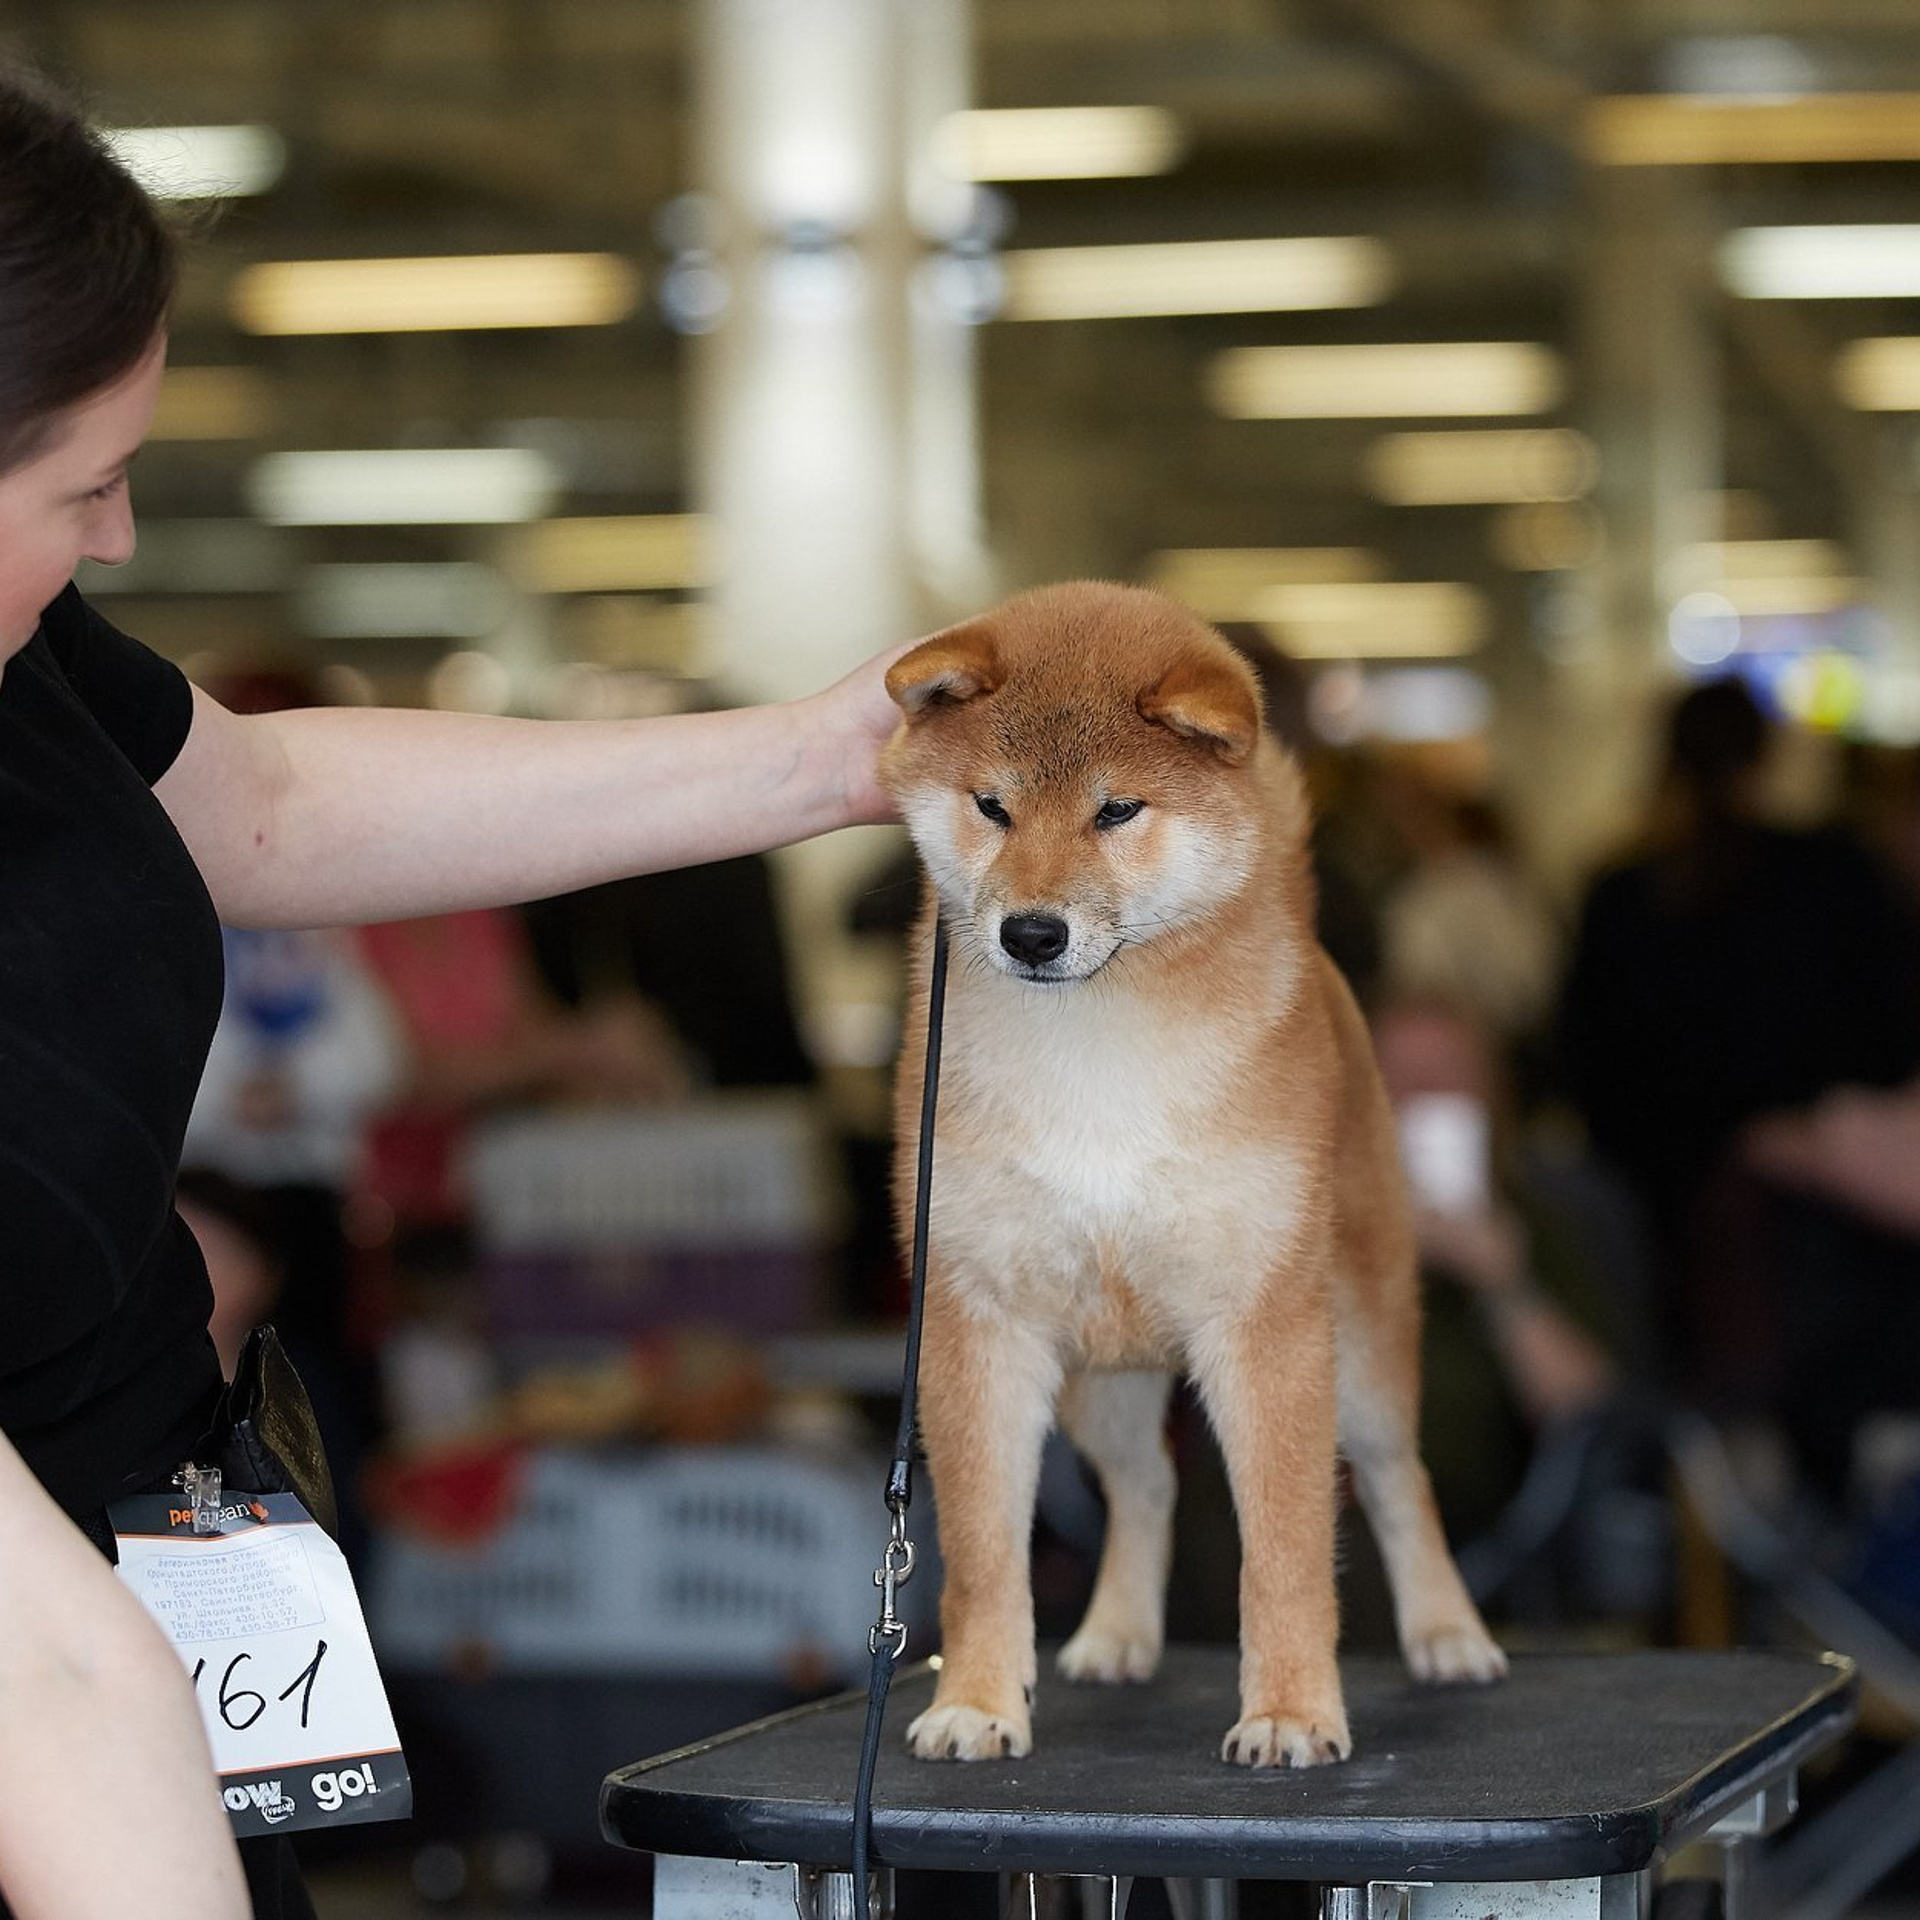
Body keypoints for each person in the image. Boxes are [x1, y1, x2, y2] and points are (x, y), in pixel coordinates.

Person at [0, 62, 902, 1920]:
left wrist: (819, 762)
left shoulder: (30, 669)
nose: (121, 542)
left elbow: (270, 802)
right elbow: (55, 1683)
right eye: (87, 483)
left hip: (142, 1608)